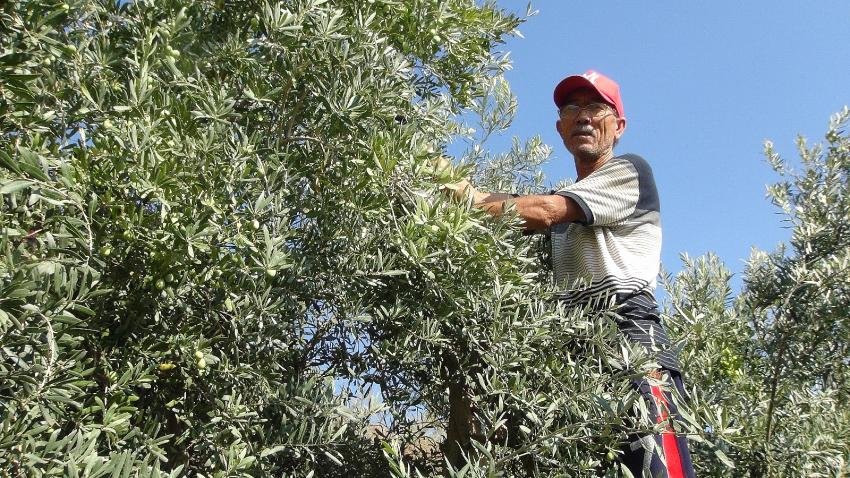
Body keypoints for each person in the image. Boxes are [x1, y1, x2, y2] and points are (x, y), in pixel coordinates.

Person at [440, 70, 696, 477]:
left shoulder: (629, 172)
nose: (583, 116)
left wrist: (467, 199)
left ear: (619, 125)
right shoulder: (567, 203)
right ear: (559, 127)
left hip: (633, 350)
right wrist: (450, 186)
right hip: (574, 365)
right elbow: (523, 204)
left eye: (596, 107)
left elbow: (542, 211)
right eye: (571, 108)